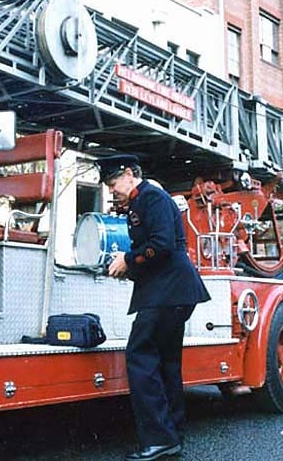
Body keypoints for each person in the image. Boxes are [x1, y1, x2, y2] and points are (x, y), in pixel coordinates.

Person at [97, 154, 211, 461]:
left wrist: (128, 261)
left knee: (141, 355)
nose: (111, 191)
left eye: (113, 183)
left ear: (130, 173)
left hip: (168, 292)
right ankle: (171, 437)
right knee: (165, 363)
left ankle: (159, 439)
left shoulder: (152, 198)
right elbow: (157, 248)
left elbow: (161, 244)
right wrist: (130, 268)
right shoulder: (141, 201)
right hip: (171, 291)